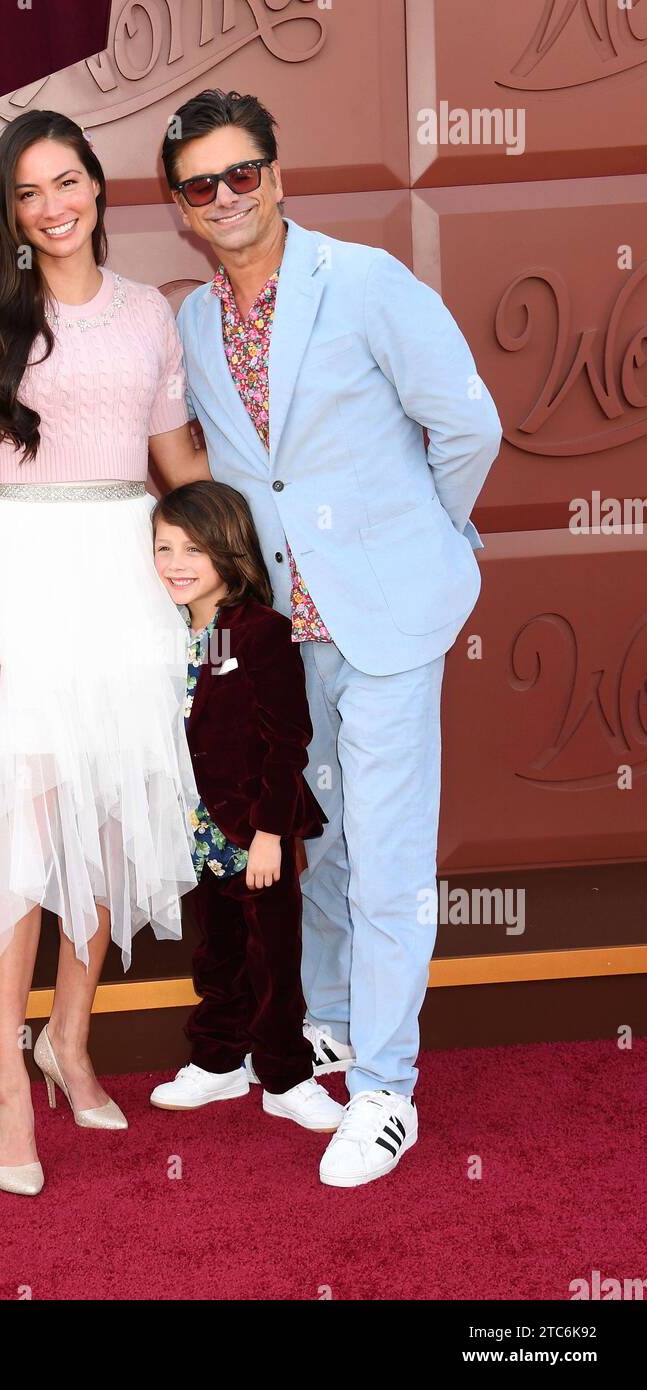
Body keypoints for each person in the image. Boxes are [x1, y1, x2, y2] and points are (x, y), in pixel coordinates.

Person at [160, 89, 502, 1187]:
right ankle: (340, 1022)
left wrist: (424, 537)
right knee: (325, 835)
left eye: (241, 173)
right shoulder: (191, 323)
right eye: (199, 184)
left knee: (392, 852)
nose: (224, 198)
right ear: (179, 204)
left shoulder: (363, 282)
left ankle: (389, 1087)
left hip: (389, 615)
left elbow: (467, 424)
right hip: (286, 635)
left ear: (275, 171)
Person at [0, 110, 210, 1195]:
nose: (53, 207)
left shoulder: (149, 315)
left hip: (125, 579)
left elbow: (175, 457)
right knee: (19, 833)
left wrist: (247, 551)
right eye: (29, 193)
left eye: (68, 182)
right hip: (21, 580)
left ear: (98, 184)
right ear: (9, 213)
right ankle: (8, 1080)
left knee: (105, 818)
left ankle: (70, 1041)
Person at [148, 481, 341, 1133]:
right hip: (196, 830)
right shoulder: (162, 631)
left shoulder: (257, 632)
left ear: (228, 553)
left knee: (271, 954)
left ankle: (286, 1075)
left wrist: (267, 832)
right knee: (218, 949)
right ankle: (218, 1062)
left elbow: (287, 740)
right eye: (163, 547)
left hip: (254, 826)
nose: (175, 563)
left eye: (193, 549)